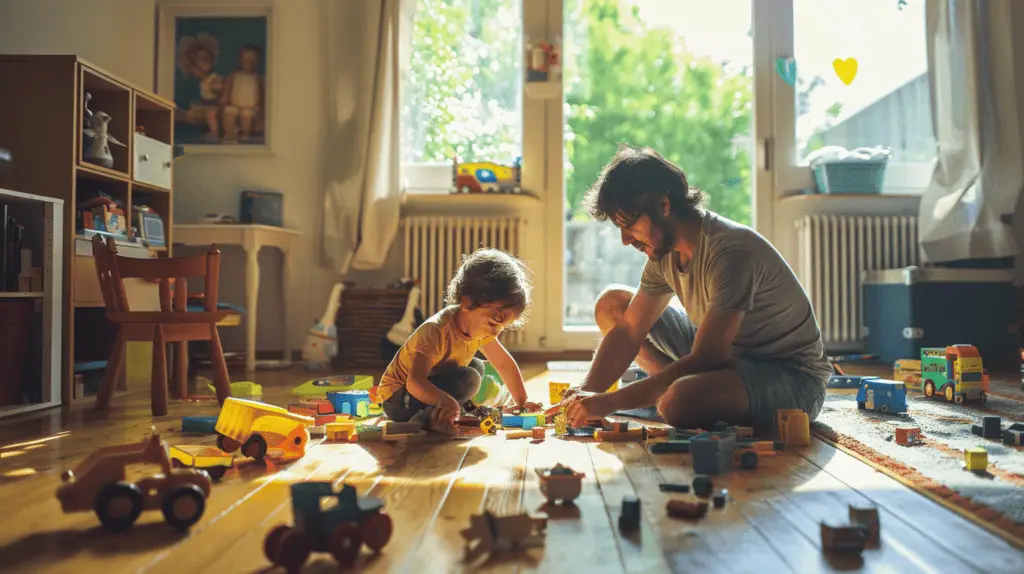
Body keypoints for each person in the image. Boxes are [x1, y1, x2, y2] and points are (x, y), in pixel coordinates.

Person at [554, 146, 831, 430]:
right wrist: (586, 396)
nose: (625, 239)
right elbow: (628, 331)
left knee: (679, 401)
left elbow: (707, 357)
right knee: (612, 306)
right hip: (726, 362)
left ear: (663, 205)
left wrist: (611, 402)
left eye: (630, 225)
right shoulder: (663, 255)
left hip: (790, 377)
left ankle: (673, 395)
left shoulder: (730, 251)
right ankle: (671, 393)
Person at [378, 249, 542, 434]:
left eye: (504, 323)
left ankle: (442, 414)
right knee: (470, 377)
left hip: (422, 389)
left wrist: (522, 401)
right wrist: (445, 401)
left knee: (477, 366)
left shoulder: (481, 329)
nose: (498, 329)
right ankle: (426, 421)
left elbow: (503, 364)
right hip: (398, 401)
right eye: (494, 320)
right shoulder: (436, 331)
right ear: (466, 303)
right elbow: (414, 382)